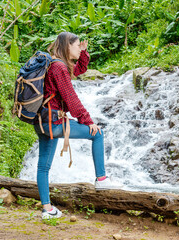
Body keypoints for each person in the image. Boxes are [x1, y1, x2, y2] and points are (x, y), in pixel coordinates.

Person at [34, 32, 122, 220]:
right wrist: (88, 121)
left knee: (43, 167)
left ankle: (47, 210)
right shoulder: (59, 68)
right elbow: (71, 99)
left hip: (42, 122)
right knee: (97, 134)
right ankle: (101, 179)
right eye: (76, 46)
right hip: (55, 123)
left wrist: (83, 53)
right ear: (67, 46)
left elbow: (79, 70)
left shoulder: (55, 64)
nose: (78, 49)